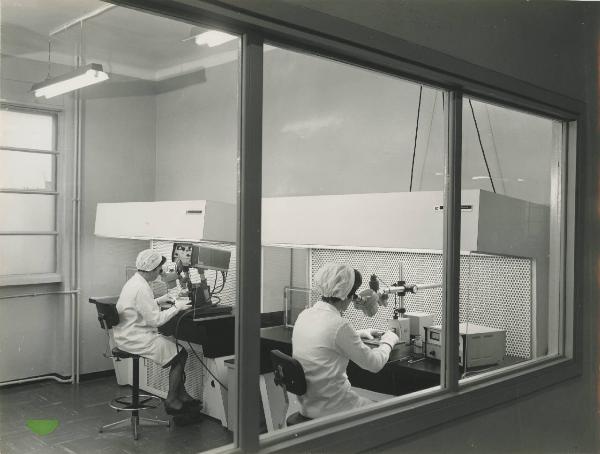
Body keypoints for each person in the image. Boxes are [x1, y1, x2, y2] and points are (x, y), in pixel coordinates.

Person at [292, 263, 400, 420]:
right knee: (390, 413)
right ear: (347, 294)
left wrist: (358, 334)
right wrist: (389, 341)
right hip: (334, 409)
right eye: (353, 294)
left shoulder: (305, 314)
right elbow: (374, 364)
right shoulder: (339, 325)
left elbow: (321, 338)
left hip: (308, 407)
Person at [113, 249, 196, 414]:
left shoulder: (135, 282)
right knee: (181, 355)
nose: (161, 273)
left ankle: (182, 393)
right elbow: (155, 320)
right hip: (135, 338)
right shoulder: (142, 288)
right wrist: (177, 307)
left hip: (126, 334)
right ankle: (172, 399)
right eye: (159, 269)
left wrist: (158, 300)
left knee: (176, 350)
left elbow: (139, 305)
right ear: (151, 269)